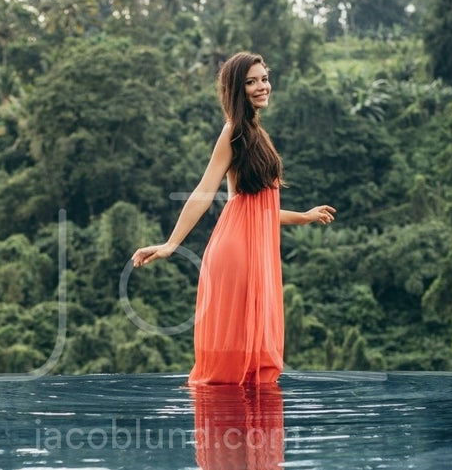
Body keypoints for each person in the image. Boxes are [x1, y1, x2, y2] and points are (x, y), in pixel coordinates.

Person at [132, 52, 335, 385]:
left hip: (253, 245)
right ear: (236, 90)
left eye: (264, 78)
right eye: (251, 82)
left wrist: (305, 217)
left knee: (255, 347)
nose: (261, 87)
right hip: (237, 251)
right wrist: (171, 243)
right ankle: (227, 430)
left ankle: (246, 432)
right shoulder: (233, 132)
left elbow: (260, 210)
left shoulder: (255, 132)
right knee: (238, 348)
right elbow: (204, 191)